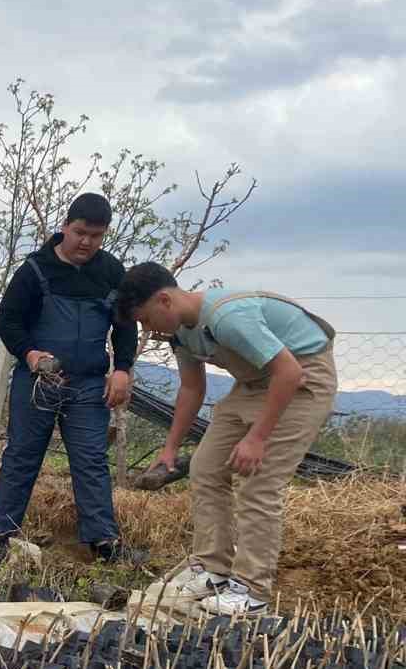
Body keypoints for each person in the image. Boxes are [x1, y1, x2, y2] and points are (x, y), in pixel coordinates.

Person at [114, 263, 338, 614]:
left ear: (164, 300)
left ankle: (251, 593)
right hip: (253, 383)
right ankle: (213, 569)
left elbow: (289, 372)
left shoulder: (227, 317)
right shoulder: (181, 332)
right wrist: (171, 447)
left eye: (145, 319)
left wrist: (257, 438)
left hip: (302, 378)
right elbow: (192, 387)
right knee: (205, 468)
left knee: (258, 482)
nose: (147, 329)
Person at [0, 193, 137, 562]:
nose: (86, 242)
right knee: (22, 455)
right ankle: (0, 537)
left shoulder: (112, 272)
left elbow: (125, 324)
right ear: (65, 226)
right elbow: (8, 321)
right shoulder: (35, 269)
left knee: (90, 461)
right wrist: (31, 354)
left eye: (96, 235)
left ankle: (103, 544)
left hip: (88, 383)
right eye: (80, 232)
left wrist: (121, 369)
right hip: (38, 382)